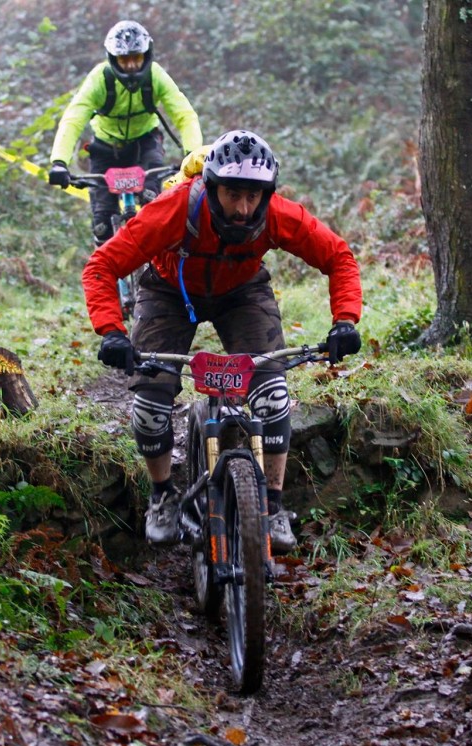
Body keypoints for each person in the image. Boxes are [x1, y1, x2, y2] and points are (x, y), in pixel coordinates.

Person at [82, 129, 363, 552]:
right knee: (149, 403)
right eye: (233, 195)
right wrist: (111, 331)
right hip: (168, 292)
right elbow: (102, 265)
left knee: (272, 394)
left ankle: (271, 503)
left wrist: (345, 321)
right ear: (211, 188)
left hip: (242, 293)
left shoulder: (275, 214)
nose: (243, 208)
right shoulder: (174, 210)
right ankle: (162, 495)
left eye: (254, 197)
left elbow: (338, 256)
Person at [47, 20, 203, 245]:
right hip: (105, 149)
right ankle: (109, 277)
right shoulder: (100, 79)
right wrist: (59, 162)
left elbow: (185, 115)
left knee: (153, 206)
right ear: (113, 58)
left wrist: (193, 156)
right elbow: (73, 119)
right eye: (124, 59)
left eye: (136, 58)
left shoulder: (155, 76)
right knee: (101, 224)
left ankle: (158, 271)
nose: (131, 66)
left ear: (146, 56)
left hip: (145, 145)